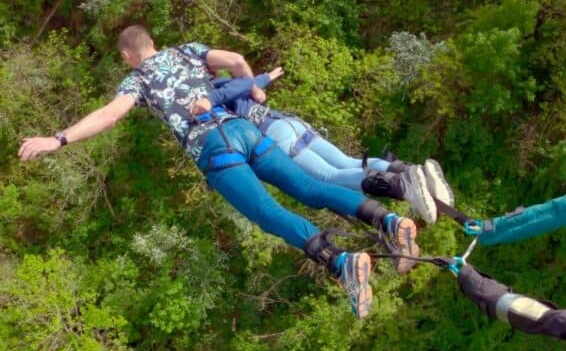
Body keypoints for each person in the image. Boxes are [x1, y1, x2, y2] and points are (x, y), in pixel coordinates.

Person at [17, 25, 417, 319]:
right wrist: (252, 88)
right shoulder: (186, 50)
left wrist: (59, 139)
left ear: (127, 56)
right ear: (153, 43)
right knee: (311, 187)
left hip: (213, 148)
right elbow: (234, 61)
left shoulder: (137, 79)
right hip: (244, 129)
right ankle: (390, 221)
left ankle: (340, 263)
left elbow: (109, 114)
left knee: (267, 213)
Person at [194, 72, 455, 224]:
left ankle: (406, 187)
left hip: (274, 134)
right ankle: (412, 171)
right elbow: (244, 83)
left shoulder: (210, 91)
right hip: (289, 123)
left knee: (331, 177)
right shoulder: (227, 82)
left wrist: (259, 80)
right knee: (349, 163)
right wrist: (259, 82)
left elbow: (235, 91)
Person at [434, 257, 566, 340]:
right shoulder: (494, 297)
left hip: (501, 300)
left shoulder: (493, 296)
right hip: (501, 300)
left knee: (555, 321)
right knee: (552, 319)